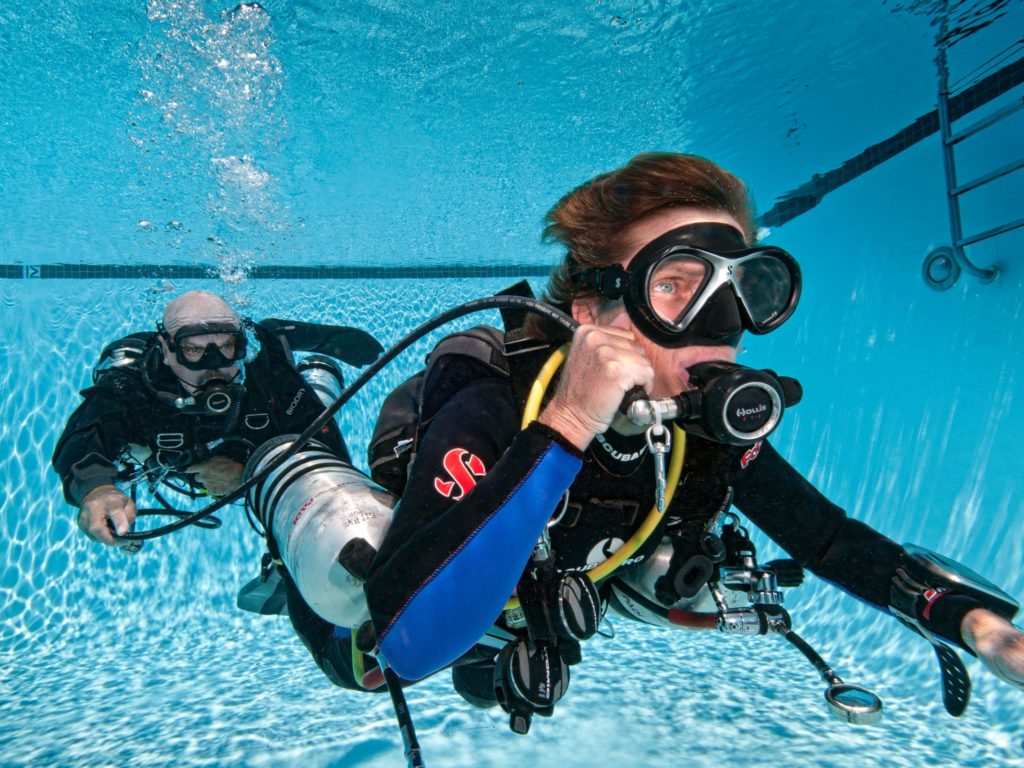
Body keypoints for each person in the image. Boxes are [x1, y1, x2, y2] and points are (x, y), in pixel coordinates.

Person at [362, 153, 1024, 731]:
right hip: (449, 563)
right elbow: (410, 643)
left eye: (745, 284)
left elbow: (825, 538)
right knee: (354, 646)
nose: (718, 321)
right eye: (674, 284)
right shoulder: (500, 399)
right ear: (591, 314)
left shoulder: (701, 433)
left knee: (670, 588)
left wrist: (969, 623)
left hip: (585, 575)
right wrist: (568, 420)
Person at [52, 289, 384, 684]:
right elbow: (82, 436)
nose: (215, 365)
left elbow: (326, 451)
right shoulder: (132, 382)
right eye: (194, 349)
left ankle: (303, 580)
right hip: (170, 461)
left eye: (226, 346)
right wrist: (96, 491)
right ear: (166, 348)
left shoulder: (263, 364)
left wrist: (253, 478)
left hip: (258, 462)